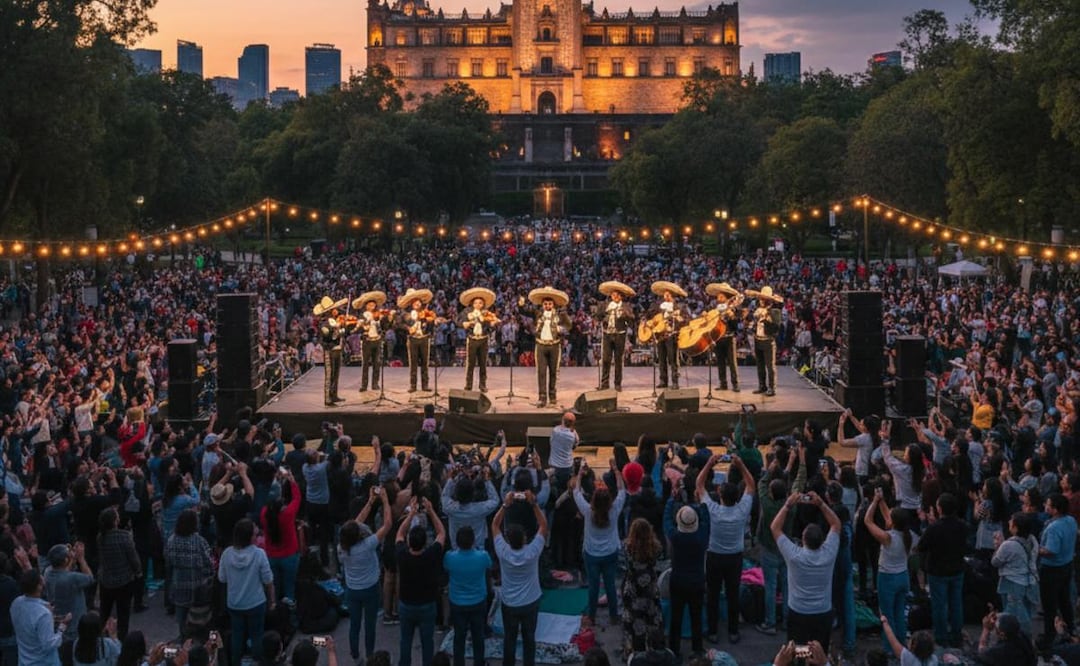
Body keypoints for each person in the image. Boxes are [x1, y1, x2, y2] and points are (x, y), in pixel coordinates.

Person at [770, 490, 842, 653]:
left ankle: (802, 662)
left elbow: (775, 528)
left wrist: (787, 505)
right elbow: (836, 524)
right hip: (822, 611)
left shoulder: (795, 556)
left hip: (799, 611)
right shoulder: (829, 553)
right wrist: (821, 504)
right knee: (819, 651)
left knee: (799, 651)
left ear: (803, 539)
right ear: (822, 540)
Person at [696, 452, 755, 644]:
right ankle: (733, 630)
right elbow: (751, 485)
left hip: (714, 556)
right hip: (734, 557)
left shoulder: (712, 510)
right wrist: (740, 464)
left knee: (713, 594)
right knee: (732, 594)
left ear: (720, 495)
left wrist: (709, 464)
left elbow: (699, 485)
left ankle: (713, 631)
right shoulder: (742, 510)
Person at [493, 489, 547, 666]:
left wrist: (505, 505)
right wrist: (534, 504)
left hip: (510, 603)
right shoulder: (532, 551)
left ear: (508, 539)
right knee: (529, 638)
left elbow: (495, 525)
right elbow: (543, 525)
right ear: (524, 538)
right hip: (530, 601)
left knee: (509, 638)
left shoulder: (503, 551)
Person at [340, 486, 393, 664]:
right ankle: (370, 657)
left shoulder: (343, 548)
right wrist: (384, 500)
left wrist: (370, 502)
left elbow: (355, 524)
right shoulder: (367, 545)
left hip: (353, 590)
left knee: (354, 625)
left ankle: (356, 657)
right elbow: (387, 525)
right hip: (370, 588)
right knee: (370, 625)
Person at [573, 459, 627, 624]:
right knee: (610, 585)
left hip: (591, 554)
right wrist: (616, 470)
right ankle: (613, 616)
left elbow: (576, 492)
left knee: (593, 586)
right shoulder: (614, 510)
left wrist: (579, 474)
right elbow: (621, 490)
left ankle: (591, 616)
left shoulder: (587, 511)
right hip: (610, 553)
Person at [395, 496, 446, 666]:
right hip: (426, 605)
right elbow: (441, 533)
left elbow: (400, 534)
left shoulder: (402, 554)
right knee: (427, 642)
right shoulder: (431, 555)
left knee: (405, 640)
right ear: (425, 543)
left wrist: (410, 514)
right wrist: (431, 511)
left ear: (410, 541)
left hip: (406, 604)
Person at [863, 490, 914, 651]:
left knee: (887, 616)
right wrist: (881, 500)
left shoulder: (887, 538)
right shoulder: (908, 535)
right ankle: (902, 645)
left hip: (887, 578)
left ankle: (889, 649)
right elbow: (889, 517)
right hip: (903, 576)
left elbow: (868, 521)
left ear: (893, 522)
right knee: (899, 613)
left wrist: (874, 502)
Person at [218, 519, 275, 662]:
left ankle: (235, 662)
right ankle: (258, 661)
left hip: (235, 603)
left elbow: (222, 578)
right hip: (256, 602)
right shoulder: (259, 554)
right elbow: (268, 580)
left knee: (237, 636)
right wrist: (272, 601)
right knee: (257, 636)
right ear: (249, 537)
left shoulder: (227, 554)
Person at [916, 493, 968, 648]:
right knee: (956, 603)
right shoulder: (963, 526)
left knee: (939, 605)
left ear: (939, 509)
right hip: (957, 569)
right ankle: (956, 635)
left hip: (938, 571)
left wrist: (925, 524)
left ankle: (941, 637)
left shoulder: (934, 528)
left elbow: (921, 546)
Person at [443, 526, 492, 666]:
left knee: (459, 637)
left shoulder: (449, 557)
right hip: (478, 601)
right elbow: (489, 568)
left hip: (457, 603)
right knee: (478, 636)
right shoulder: (483, 556)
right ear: (473, 540)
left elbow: (446, 570)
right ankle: (479, 662)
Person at [665, 502, 707, 659]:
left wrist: (671, 501)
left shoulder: (675, 537)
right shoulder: (701, 537)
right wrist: (701, 505)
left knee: (676, 617)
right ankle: (697, 649)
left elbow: (666, 520)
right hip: (697, 581)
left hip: (678, 581)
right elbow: (707, 520)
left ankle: (674, 649)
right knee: (696, 616)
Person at [163, 509, 213, 639]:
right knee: (201, 624)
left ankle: (184, 643)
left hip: (178, 587)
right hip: (198, 589)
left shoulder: (171, 541)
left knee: (182, 622)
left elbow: (168, 561)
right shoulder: (199, 541)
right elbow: (209, 563)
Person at [521, 287, 571, 407]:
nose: (547, 306)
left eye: (549, 304)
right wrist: (521, 305)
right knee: (541, 372)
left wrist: (561, 329)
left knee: (554, 372)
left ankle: (552, 397)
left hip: (554, 345)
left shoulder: (560, 314)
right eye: (545, 304)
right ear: (542, 304)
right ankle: (542, 397)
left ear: (553, 304)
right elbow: (525, 311)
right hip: (541, 345)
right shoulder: (537, 313)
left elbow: (569, 325)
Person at [621, 518, 663, 656]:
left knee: (634, 622)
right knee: (652, 620)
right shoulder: (656, 548)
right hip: (650, 589)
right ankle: (654, 651)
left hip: (633, 590)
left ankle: (635, 653)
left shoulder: (627, 548)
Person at [97, 507, 140, 640]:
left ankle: (99, 636)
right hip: (124, 580)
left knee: (104, 611)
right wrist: (138, 572)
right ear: (115, 521)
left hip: (106, 580)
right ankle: (121, 640)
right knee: (123, 614)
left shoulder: (101, 537)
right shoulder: (124, 536)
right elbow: (133, 558)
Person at [990, 512, 1040, 630]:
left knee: (1012, 615)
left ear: (1016, 528)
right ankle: (1025, 637)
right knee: (1025, 611)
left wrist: (998, 546)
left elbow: (995, 562)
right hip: (1030, 581)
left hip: (1012, 582)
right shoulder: (1032, 540)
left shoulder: (1008, 545)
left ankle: (1018, 636)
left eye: (1011, 522)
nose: (1009, 522)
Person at [1038, 492, 1076, 643]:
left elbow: (1051, 550)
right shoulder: (1071, 520)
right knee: (1064, 600)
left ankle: (1049, 636)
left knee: (1049, 605)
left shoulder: (1054, 527)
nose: (1045, 506)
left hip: (1052, 569)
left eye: (1048, 504)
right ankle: (1071, 629)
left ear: (1055, 509)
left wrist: (1036, 549)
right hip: (1066, 565)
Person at [260, 470, 302, 603]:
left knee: (275, 586)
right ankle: (289, 610)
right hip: (289, 555)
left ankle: (275, 608)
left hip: (271, 556)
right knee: (290, 588)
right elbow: (297, 498)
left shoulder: (264, 514)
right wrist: (292, 481)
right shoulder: (287, 514)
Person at [11, 568, 67, 666]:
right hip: (43, 662)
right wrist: (62, 627)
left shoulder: (16, 603)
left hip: (24, 660)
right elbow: (49, 645)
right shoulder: (43, 614)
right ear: (39, 586)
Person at [44, 543, 95, 641]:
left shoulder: (47, 573)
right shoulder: (72, 578)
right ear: (65, 560)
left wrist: (70, 558)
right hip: (74, 626)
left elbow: (64, 569)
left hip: (58, 623)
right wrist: (81, 559)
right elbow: (90, 578)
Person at [644, 282, 689, 389]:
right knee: (661, 359)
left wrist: (679, 319)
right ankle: (663, 381)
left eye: (669, 294)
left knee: (673, 359)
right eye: (665, 294)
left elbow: (686, 320)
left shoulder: (679, 307)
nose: (666, 296)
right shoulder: (658, 306)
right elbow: (649, 316)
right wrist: (650, 321)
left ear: (673, 295)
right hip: (660, 335)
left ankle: (675, 381)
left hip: (672, 335)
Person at [594, 281, 636, 392]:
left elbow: (632, 319)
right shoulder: (606, 305)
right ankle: (604, 383)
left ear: (621, 296)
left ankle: (617, 384)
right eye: (613, 294)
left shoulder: (626, 306)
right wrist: (602, 315)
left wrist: (625, 314)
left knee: (618, 360)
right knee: (606, 359)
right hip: (607, 334)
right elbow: (598, 316)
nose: (615, 296)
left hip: (620, 335)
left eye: (617, 295)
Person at [396, 288, 437, 393]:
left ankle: (425, 385)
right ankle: (413, 385)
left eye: (418, 301)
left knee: (425, 363)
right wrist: (408, 328)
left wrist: (430, 321)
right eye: (414, 301)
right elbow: (398, 324)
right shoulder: (405, 314)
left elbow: (431, 326)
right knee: (413, 363)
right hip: (412, 339)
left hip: (424, 338)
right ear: (411, 303)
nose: (416, 303)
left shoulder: (426, 312)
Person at [458, 287, 498, 393]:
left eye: (480, 303)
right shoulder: (467, 311)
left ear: (483, 304)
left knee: (483, 363)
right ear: (472, 303)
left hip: (483, 339)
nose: (478, 305)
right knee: (470, 363)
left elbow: (491, 326)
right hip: (472, 339)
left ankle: (482, 385)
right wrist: (464, 324)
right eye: (476, 303)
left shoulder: (486, 313)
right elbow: (458, 320)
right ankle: (468, 385)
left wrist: (492, 325)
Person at [705, 282, 743, 392]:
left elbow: (736, 325)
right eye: (718, 296)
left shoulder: (733, 309)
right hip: (718, 337)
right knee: (720, 361)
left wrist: (732, 317)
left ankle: (735, 384)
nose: (719, 298)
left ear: (726, 297)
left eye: (721, 296)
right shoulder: (715, 309)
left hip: (729, 337)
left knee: (732, 362)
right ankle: (723, 383)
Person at [352, 291, 392, 393]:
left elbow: (385, 327)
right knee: (365, 364)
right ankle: (364, 385)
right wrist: (364, 324)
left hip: (377, 340)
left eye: (373, 305)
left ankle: (375, 384)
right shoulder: (362, 315)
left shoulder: (378, 315)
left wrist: (387, 319)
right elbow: (358, 329)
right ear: (366, 306)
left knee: (377, 363)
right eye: (369, 305)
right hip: (367, 341)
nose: (371, 306)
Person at [313, 296, 350, 406]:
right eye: (334, 309)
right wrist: (337, 328)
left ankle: (334, 395)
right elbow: (328, 335)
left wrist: (343, 328)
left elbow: (342, 334)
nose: (336, 310)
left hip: (337, 349)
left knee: (336, 374)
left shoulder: (336, 320)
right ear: (329, 311)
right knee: (329, 375)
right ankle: (328, 398)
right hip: (329, 350)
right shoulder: (324, 323)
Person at [747, 285, 783, 396]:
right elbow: (751, 323)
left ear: (768, 300)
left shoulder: (775, 311)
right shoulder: (758, 310)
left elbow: (776, 328)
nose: (761, 301)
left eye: (763, 299)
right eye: (760, 299)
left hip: (768, 341)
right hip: (758, 339)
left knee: (770, 366)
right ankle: (762, 386)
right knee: (760, 365)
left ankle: (772, 388)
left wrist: (766, 319)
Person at [548, 414, 579, 497]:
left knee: (553, 487)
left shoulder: (555, 431)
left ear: (562, 420)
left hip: (554, 465)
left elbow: (551, 441)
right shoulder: (573, 435)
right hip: (567, 466)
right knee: (565, 487)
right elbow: (575, 445)